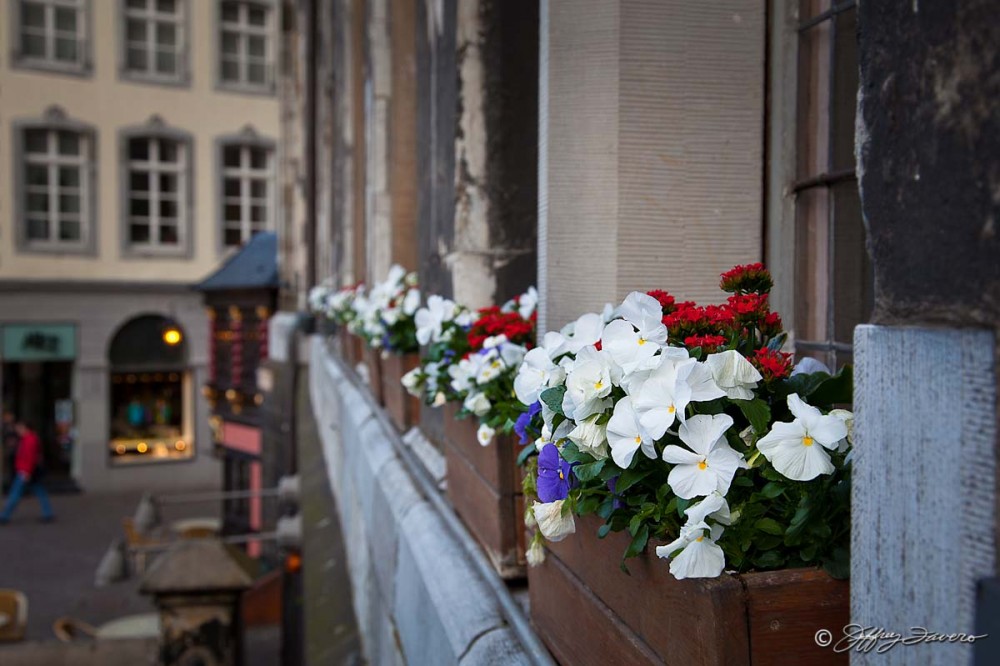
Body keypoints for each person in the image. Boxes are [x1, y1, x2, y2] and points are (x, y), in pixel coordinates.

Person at [0, 420, 55, 524]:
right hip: (26, 471)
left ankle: (4, 516)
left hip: (24, 471)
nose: (17, 430)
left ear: (25, 428)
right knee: (40, 491)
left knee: (15, 494)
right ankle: (48, 513)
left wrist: (27, 472)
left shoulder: (29, 439)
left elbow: (29, 457)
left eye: (19, 428)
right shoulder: (27, 438)